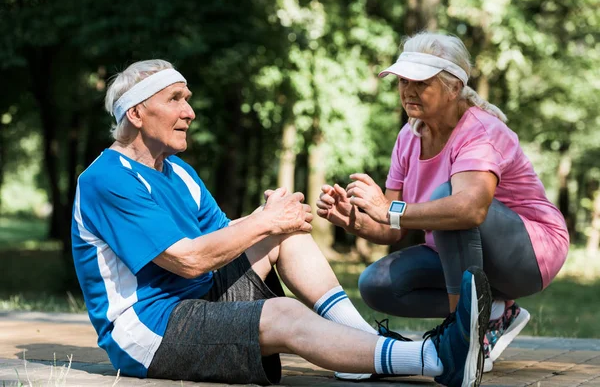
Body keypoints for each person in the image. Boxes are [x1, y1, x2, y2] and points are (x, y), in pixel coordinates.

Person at [71, 59, 492, 386]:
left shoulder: (177, 171)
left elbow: (223, 238)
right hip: (152, 332)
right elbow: (188, 260)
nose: (190, 112)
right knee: (284, 313)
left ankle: (366, 352)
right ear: (138, 114)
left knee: (284, 235)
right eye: (176, 99)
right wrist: (262, 221)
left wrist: (268, 220)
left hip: (199, 301)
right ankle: (437, 359)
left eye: (188, 98)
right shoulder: (106, 179)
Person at [317, 32, 569, 375]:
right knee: (376, 284)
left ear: (453, 87)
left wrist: (389, 210)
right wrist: (356, 221)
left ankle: (462, 339)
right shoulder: (409, 136)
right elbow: (391, 228)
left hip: (531, 253)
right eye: (403, 80)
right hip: (460, 251)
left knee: (446, 202)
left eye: (420, 81)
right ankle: (493, 312)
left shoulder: (481, 130)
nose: (408, 90)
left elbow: (470, 210)